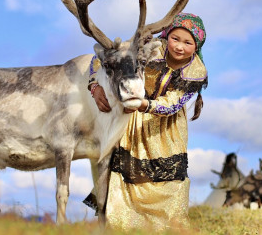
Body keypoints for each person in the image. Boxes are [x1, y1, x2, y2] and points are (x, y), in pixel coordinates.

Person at [86, 12, 207, 230]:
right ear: (166, 36)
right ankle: (119, 226)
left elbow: (173, 104)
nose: (179, 46)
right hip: (132, 123)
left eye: (188, 42)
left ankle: (168, 229)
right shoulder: (149, 46)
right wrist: (94, 87)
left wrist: (144, 105)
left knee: (167, 184)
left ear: (196, 46)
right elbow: (101, 57)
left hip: (166, 131)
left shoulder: (196, 72)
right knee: (123, 175)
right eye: (175, 39)